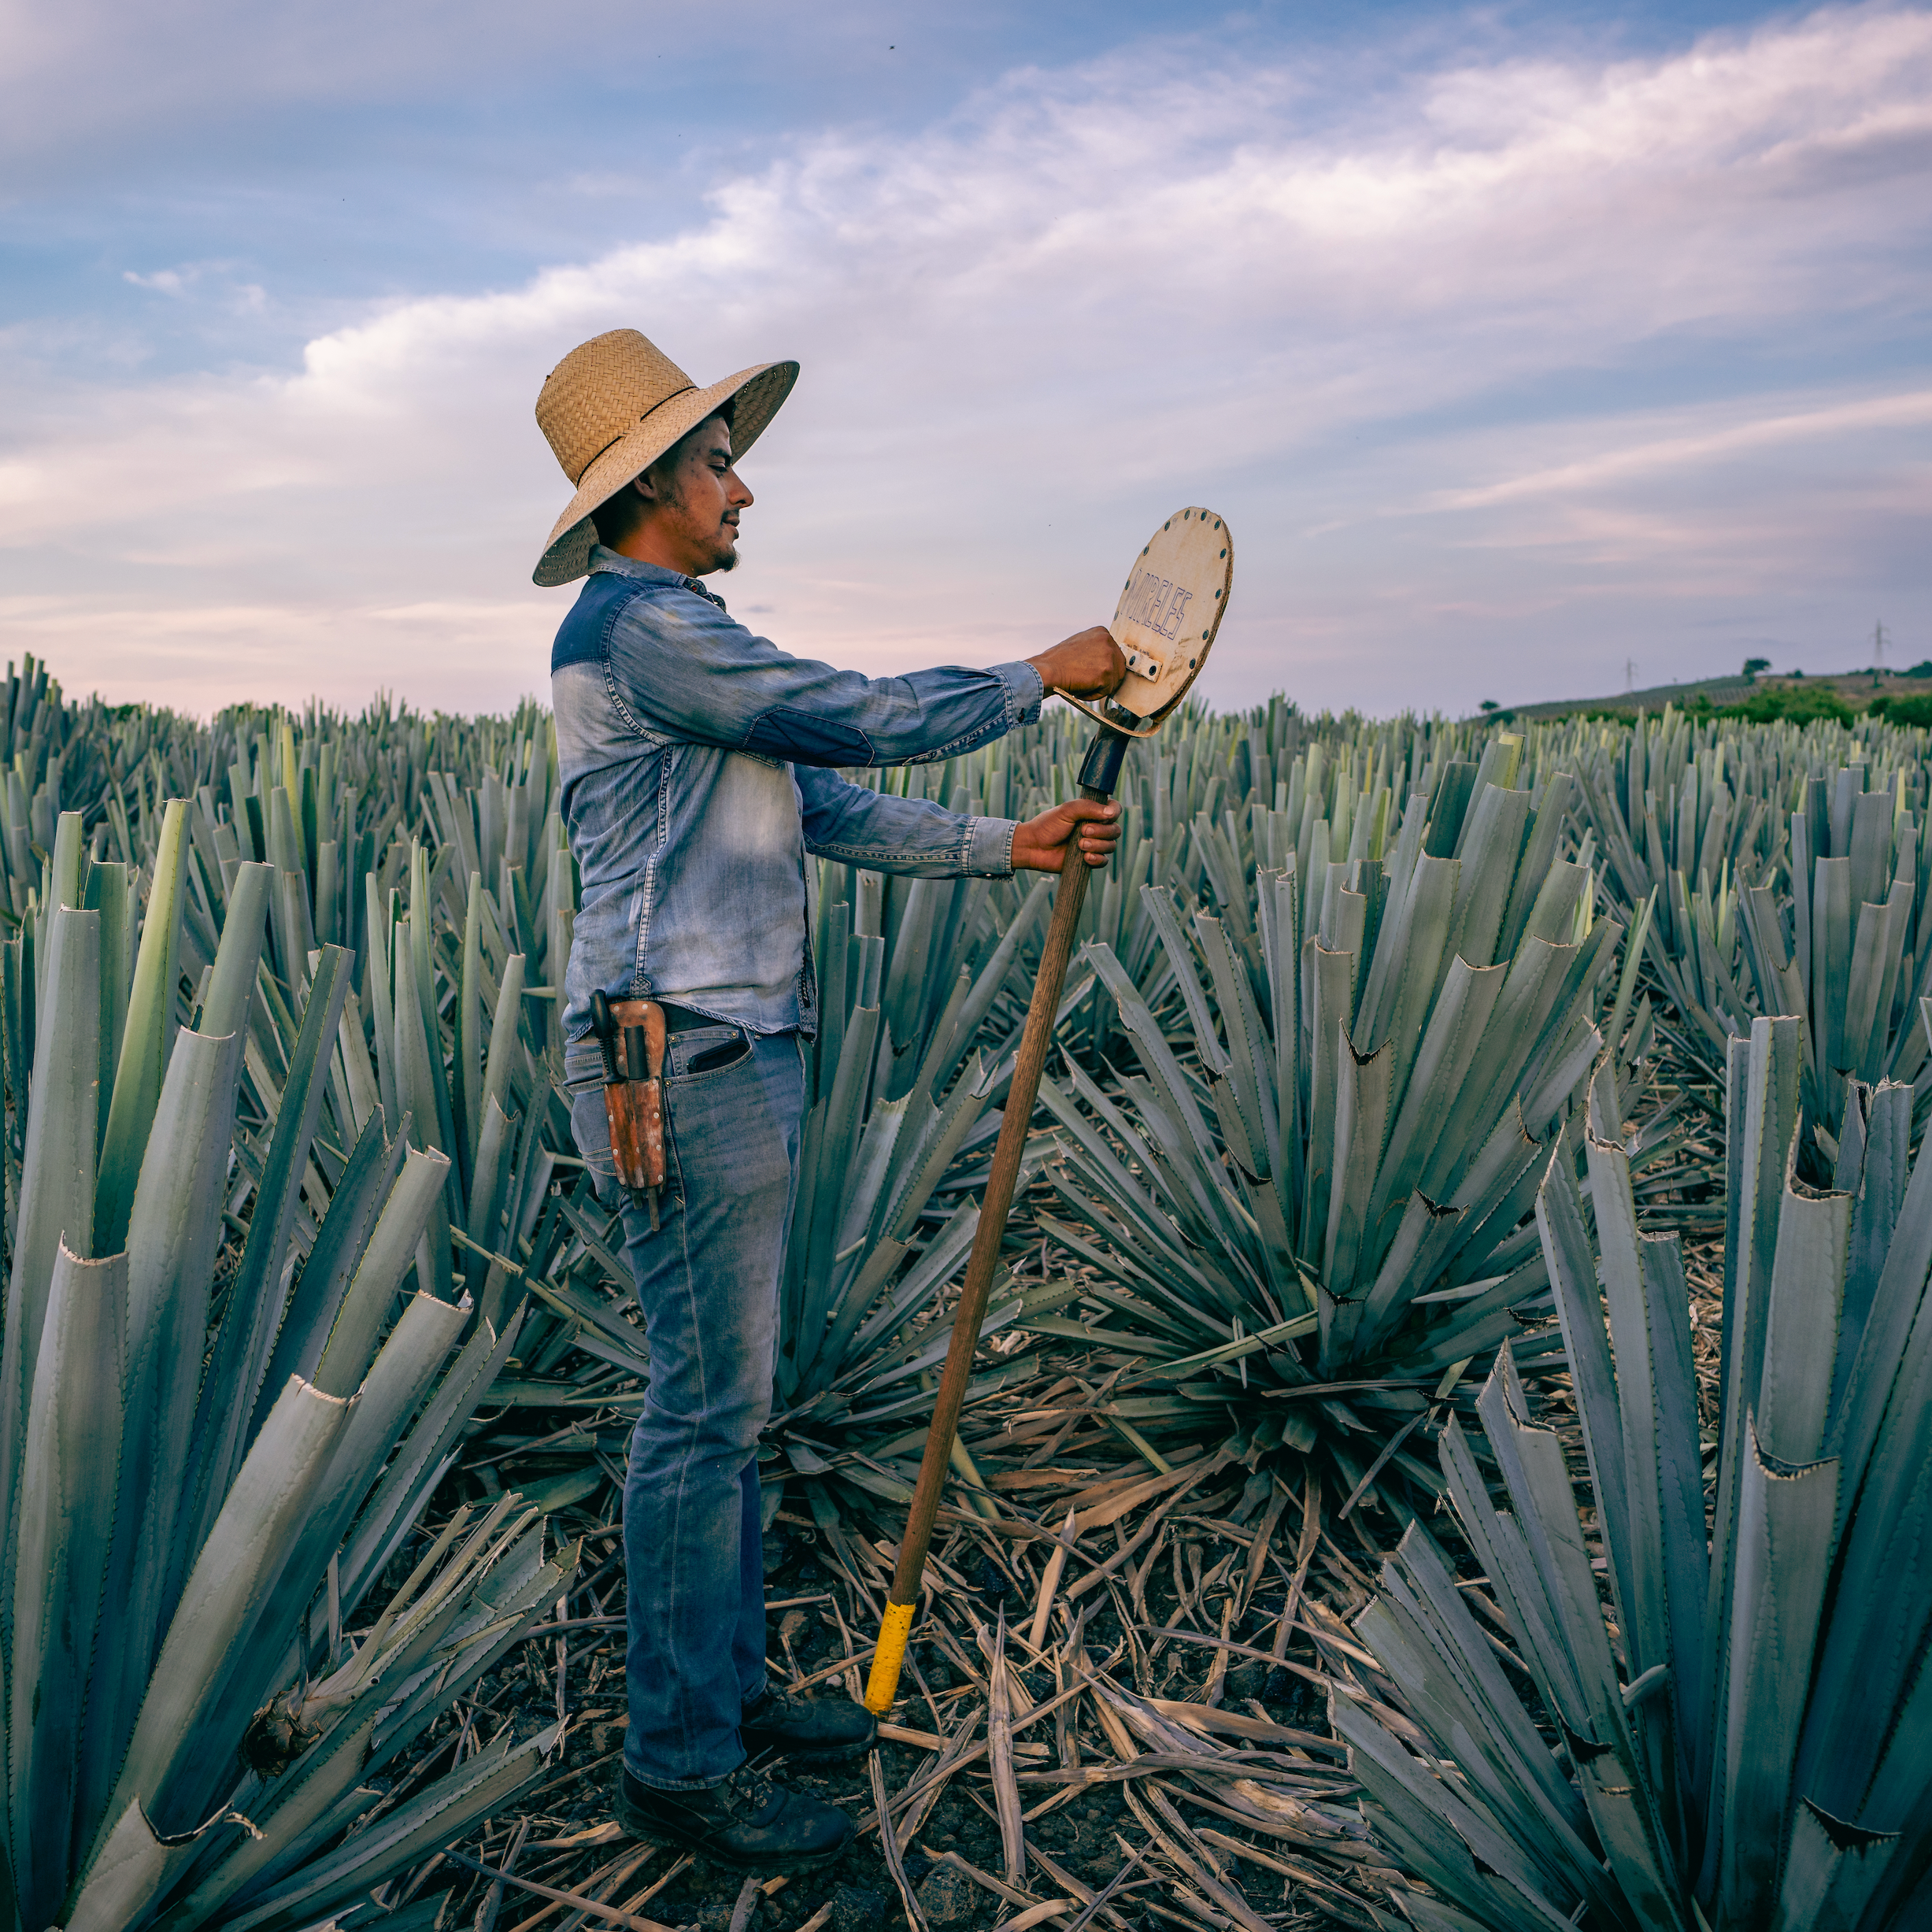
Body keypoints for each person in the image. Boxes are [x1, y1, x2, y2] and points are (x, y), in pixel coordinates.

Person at [533, 328, 1127, 1872]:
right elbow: (857, 715)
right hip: (683, 1059)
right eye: (719, 459)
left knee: (723, 1409)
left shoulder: (674, 641)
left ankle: (719, 1701)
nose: (744, 484)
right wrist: (1036, 677)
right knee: (698, 1417)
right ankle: (677, 1762)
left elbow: (824, 796)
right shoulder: (646, 629)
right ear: (648, 484)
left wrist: (1010, 846)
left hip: (731, 1052)